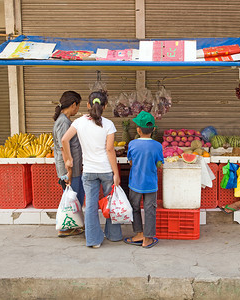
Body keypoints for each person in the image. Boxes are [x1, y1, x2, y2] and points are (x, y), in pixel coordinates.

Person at [62, 91, 121, 248]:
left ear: (88, 105)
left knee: (91, 206)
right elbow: (110, 150)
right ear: (105, 106)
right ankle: (113, 235)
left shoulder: (79, 122)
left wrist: (69, 159)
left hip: (88, 171)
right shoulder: (109, 124)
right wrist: (116, 173)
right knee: (111, 202)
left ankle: (93, 240)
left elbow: (64, 139)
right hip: (106, 170)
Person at [124, 111, 164, 249]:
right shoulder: (158, 146)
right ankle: (147, 239)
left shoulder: (132, 144)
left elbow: (130, 162)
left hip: (135, 183)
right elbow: (160, 164)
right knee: (150, 210)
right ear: (153, 129)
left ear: (138, 130)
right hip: (151, 184)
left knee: (135, 208)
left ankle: (138, 234)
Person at [52, 91, 85, 237]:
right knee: (71, 197)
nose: (78, 109)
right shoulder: (63, 123)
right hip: (69, 168)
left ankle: (71, 225)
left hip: (73, 167)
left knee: (74, 197)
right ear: (73, 105)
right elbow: (63, 146)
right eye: (78, 105)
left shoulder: (64, 120)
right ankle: (65, 228)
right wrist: (69, 170)